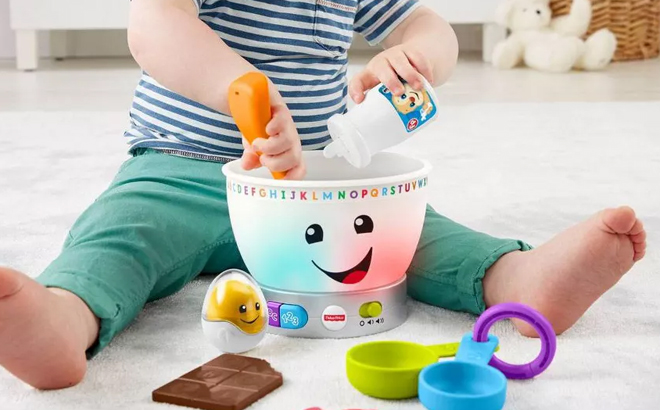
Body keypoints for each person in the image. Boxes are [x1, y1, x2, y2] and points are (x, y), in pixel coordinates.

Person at [0, 0, 646, 390]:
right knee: (123, 232)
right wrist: (241, 89)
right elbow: (154, 21)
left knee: (403, 231)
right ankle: (65, 317)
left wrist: (417, 57)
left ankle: (513, 276)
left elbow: (430, 25)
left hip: (307, 187)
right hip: (183, 166)